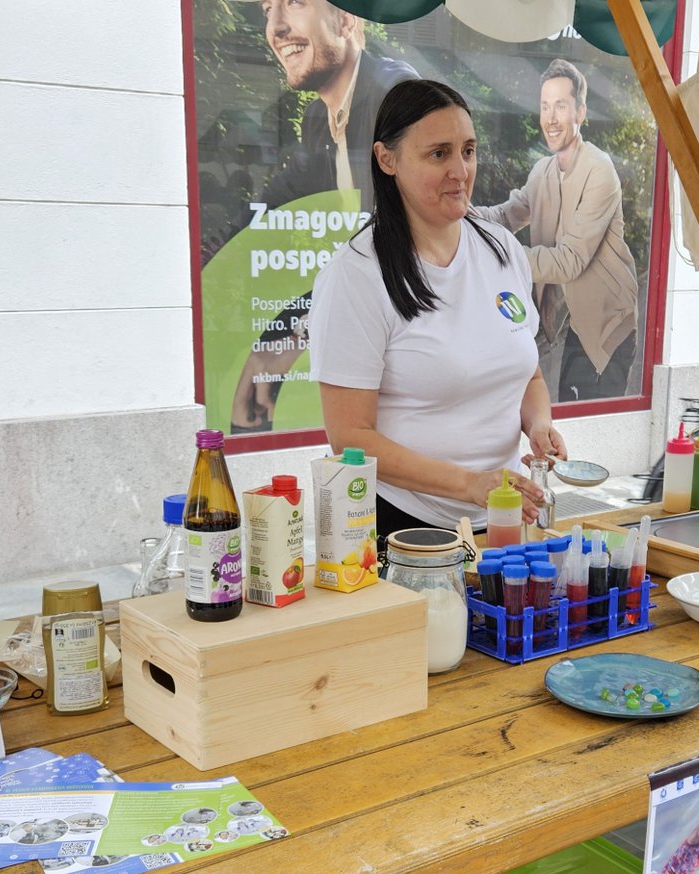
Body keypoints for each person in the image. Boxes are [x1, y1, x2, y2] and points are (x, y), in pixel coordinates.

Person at [309, 79, 568, 535]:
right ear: (387, 159)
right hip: (407, 525)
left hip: (504, 514)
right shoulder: (357, 275)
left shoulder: (503, 250)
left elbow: (530, 374)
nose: (460, 170)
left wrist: (540, 424)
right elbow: (350, 438)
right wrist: (468, 484)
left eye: (467, 151)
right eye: (438, 154)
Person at [229, 0, 418, 433]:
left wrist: (292, 340)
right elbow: (282, 195)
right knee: (247, 399)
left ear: (347, 18)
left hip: (406, 334)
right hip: (367, 314)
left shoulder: (393, 95)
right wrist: (214, 250)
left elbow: (391, 246)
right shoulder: (319, 117)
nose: (275, 27)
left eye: (293, 3)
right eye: (266, 9)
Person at [475, 59, 638, 403]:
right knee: (560, 407)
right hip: (566, 323)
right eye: (545, 107)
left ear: (580, 112)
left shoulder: (599, 171)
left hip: (604, 327)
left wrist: (500, 255)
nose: (550, 118)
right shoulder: (543, 172)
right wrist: (461, 214)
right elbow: (507, 215)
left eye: (560, 106)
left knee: (585, 426)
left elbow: (569, 261)